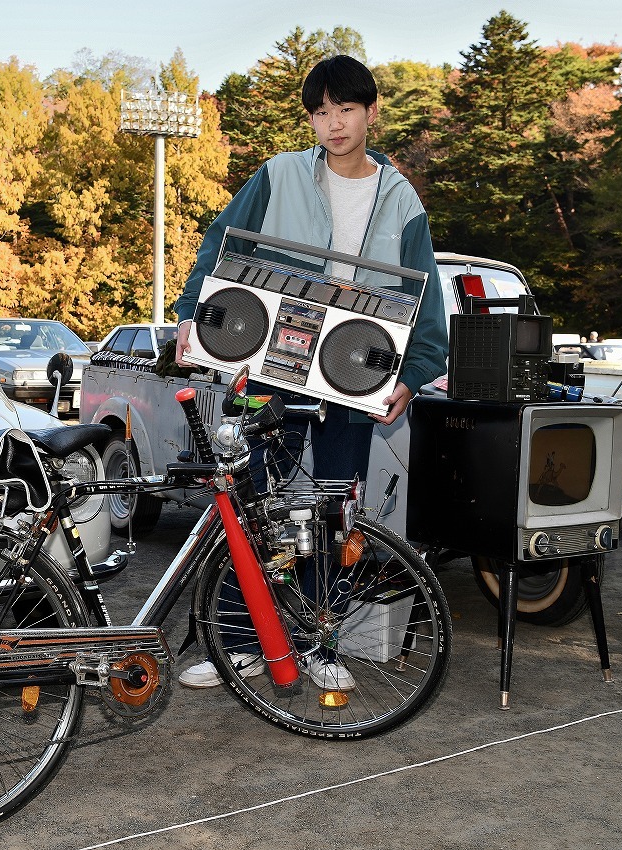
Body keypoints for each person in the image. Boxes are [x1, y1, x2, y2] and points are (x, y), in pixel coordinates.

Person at [172, 55, 448, 690]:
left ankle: (320, 644)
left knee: (332, 512)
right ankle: (241, 644)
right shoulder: (279, 175)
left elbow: (425, 296)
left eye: (346, 109)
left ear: (371, 111)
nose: (334, 124)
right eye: (321, 113)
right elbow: (221, 243)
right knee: (254, 503)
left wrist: (413, 374)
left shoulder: (401, 198)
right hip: (272, 361)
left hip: (353, 370)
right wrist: (193, 314)